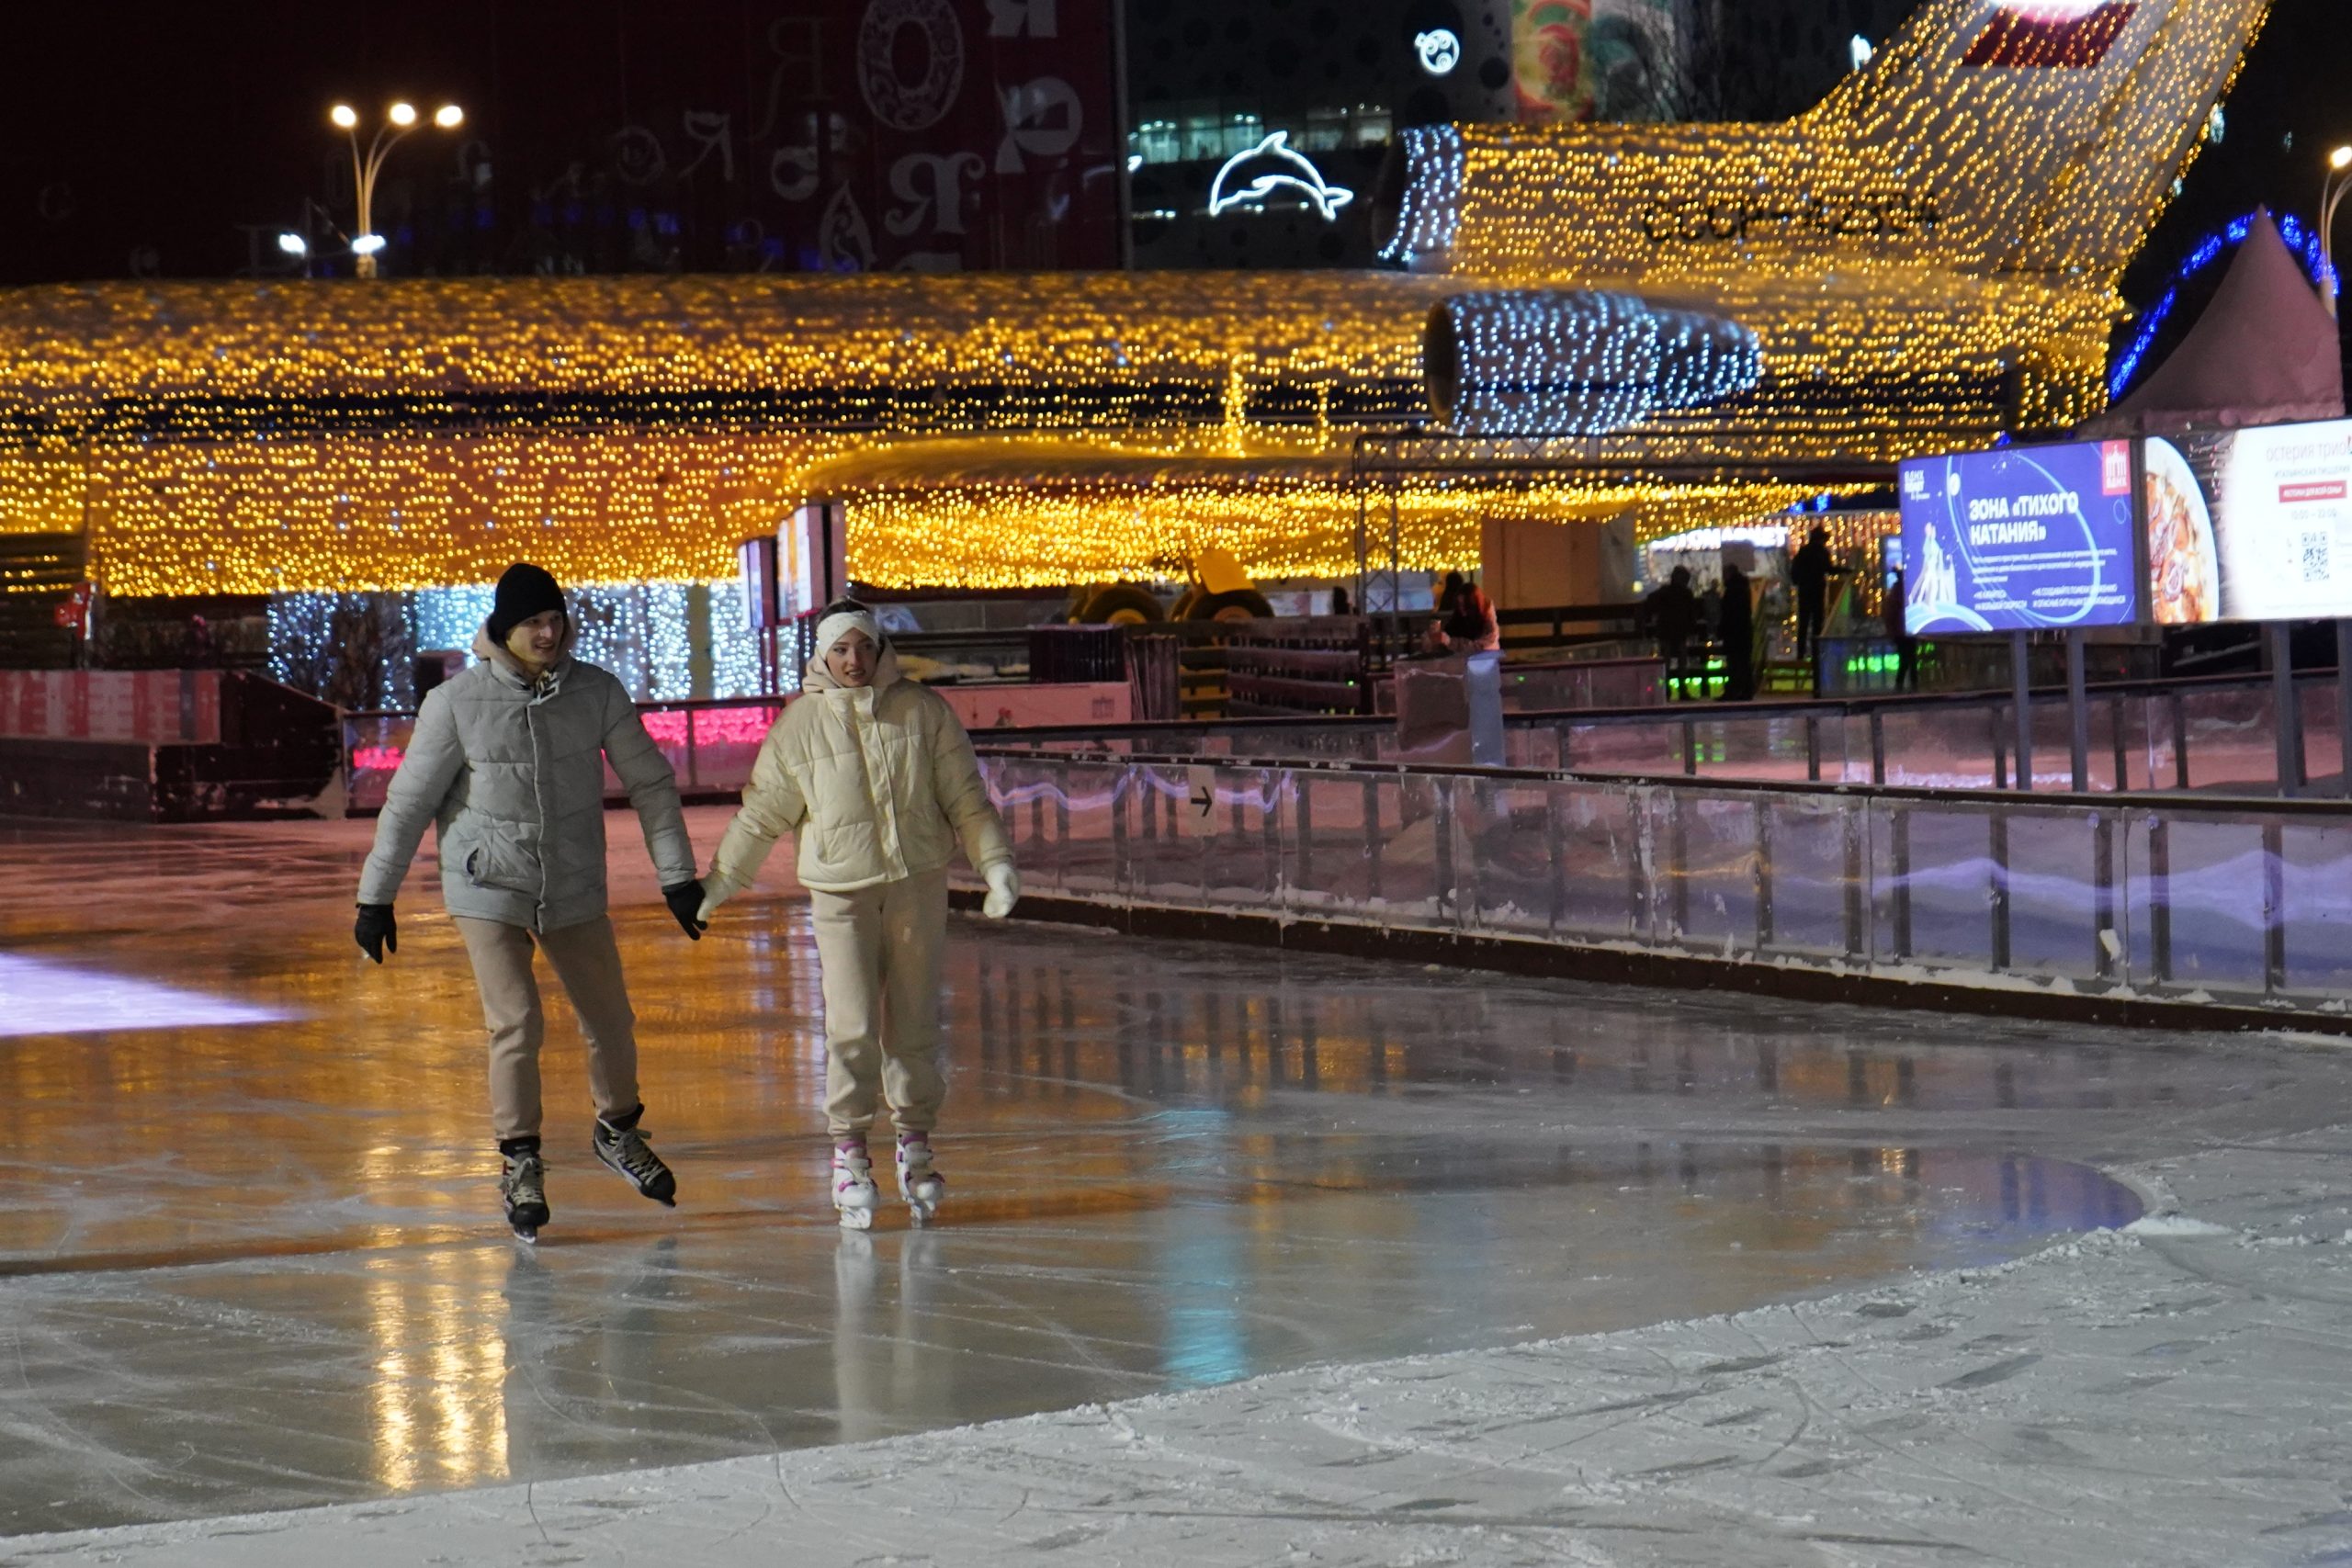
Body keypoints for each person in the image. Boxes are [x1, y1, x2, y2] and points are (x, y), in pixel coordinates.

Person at [354, 561, 706, 1242]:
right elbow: (408, 803)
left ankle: (617, 1130)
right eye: (533, 623)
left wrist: (678, 877)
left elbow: (652, 783)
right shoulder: (457, 702)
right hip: (487, 882)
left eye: (555, 620)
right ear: (504, 628)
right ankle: (520, 1160)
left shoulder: (595, 691)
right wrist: (376, 897)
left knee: (611, 1016)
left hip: (571, 879)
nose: (548, 633)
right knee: (516, 1020)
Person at [696, 601, 1020, 1230]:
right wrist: (720, 883)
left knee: (915, 1021)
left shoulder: (922, 712)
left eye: (864, 647)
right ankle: (848, 1152)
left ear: (880, 650)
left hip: (916, 883)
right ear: (823, 654)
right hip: (840, 893)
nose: (853, 660)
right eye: (841, 649)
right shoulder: (799, 726)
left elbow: (966, 797)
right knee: (852, 1024)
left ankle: (915, 1143)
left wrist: (995, 862)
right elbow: (762, 814)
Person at [1641, 566, 1702, 691]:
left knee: (1666, 662)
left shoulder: (1665, 592)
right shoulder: (1685, 593)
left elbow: (1650, 602)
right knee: (1681, 661)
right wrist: (1691, 628)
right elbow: (1692, 613)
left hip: (1667, 632)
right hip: (1679, 632)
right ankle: (1682, 689)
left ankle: (1666, 690)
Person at [1789, 525, 1843, 661]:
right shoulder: (1822, 552)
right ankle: (1816, 655)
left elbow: (1794, 570)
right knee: (1817, 624)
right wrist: (1846, 570)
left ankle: (1800, 655)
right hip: (1817, 591)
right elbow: (1829, 569)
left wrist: (1798, 582)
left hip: (1804, 591)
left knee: (1803, 624)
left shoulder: (1803, 551)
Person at [1434, 571, 1500, 653]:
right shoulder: (1459, 616)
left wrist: (1450, 642)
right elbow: (1449, 632)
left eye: (1465, 605)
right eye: (1459, 604)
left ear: (1474, 605)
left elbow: (1480, 646)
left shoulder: (1488, 622)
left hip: (1485, 658)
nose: (1462, 608)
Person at [1718, 559, 1756, 701]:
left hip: (1734, 633)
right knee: (1743, 662)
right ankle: (1745, 690)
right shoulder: (1743, 588)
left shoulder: (1732, 591)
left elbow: (1728, 613)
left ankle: (1734, 689)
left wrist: (1722, 629)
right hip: (1743, 632)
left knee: (1735, 663)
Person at [1883, 565, 1919, 693]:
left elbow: (1890, 614)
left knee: (1906, 660)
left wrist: (1891, 631)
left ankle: (1901, 686)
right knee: (1910, 660)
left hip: (1901, 632)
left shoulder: (1894, 592)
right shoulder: (1903, 591)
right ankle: (1911, 686)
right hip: (1907, 631)